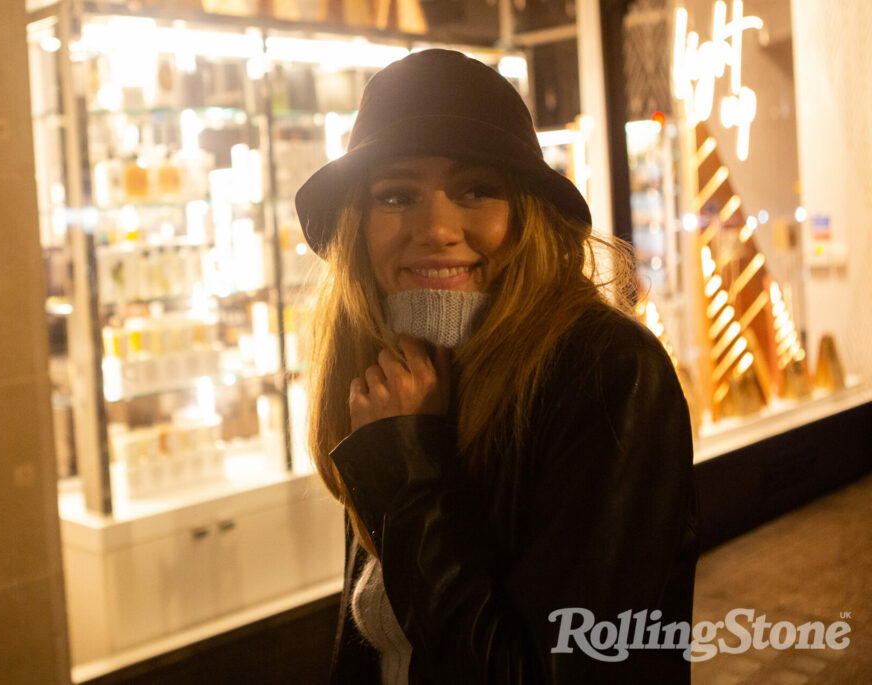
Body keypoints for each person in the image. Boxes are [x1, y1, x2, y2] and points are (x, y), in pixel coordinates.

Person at [295, 49, 698, 684]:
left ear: (528, 216)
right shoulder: (404, 366)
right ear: (357, 228)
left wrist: (410, 473)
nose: (436, 228)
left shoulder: (610, 376)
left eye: (477, 190)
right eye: (396, 195)